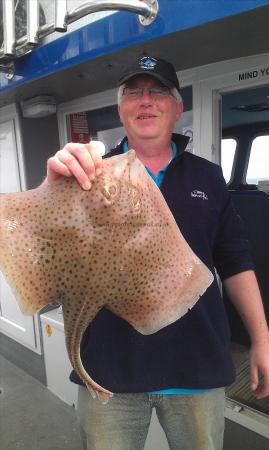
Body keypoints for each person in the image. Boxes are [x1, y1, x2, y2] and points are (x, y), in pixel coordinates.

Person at [44, 56, 269, 450]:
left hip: (195, 369)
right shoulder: (89, 174)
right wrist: (53, 189)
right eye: (134, 92)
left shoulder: (208, 177)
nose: (145, 100)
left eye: (158, 91)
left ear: (178, 107)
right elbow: (49, 250)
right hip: (108, 372)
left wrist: (261, 338)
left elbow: (235, 261)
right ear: (121, 108)